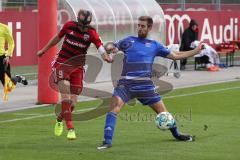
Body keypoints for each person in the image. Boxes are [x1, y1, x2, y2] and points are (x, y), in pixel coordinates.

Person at [97, 16, 203, 150]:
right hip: (126, 85)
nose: (140, 28)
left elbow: (175, 55)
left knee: (164, 113)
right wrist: (109, 47)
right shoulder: (128, 41)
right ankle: (107, 141)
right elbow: (111, 45)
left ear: (149, 28)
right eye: (139, 25)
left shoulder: (154, 45)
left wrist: (195, 51)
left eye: (143, 26)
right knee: (113, 109)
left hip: (145, 86)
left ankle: (177, 134)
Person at [37, 9, 112, 140]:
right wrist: (44, 50)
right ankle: (70, 128)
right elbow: (57, 38)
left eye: (86, 26)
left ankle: (59, 118)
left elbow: (100, 47)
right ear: (77, 21)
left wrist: (106, 57)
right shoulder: (69, 26)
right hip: (62, 63)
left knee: (72, 104)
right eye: (82, 25)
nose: (83, 28)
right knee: (65, 97)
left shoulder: (92, 33)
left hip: (77, 67)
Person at [0, 23, 27, 91]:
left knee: (8, 87)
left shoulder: (4, 28)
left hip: (1, 59)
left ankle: (18, 78)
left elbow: (11, 43)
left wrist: (8, 55)